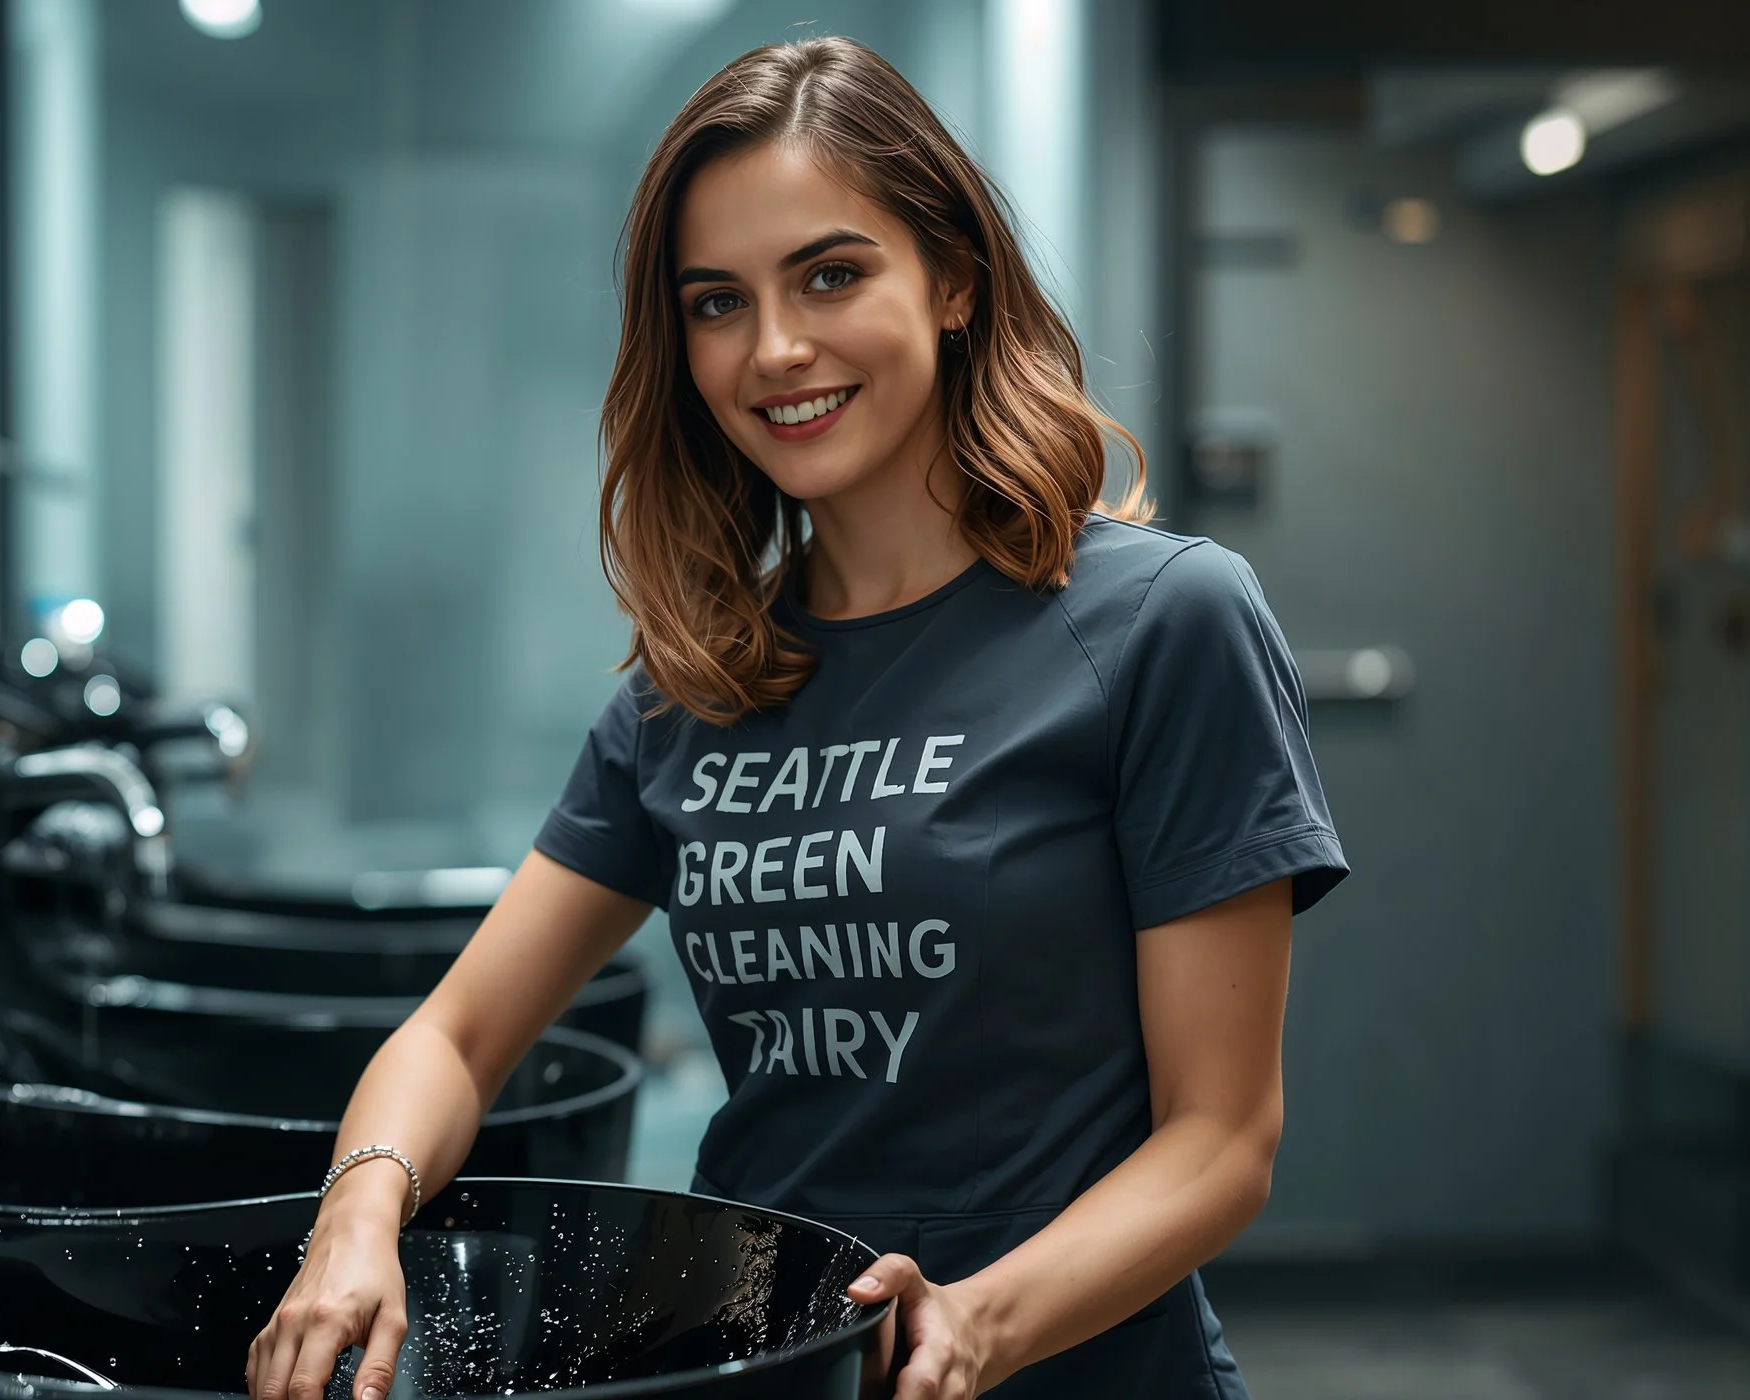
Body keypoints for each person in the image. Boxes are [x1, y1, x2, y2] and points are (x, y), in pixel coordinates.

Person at [245, 35, 1345, 1400]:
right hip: (760, 1361)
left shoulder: (1165, 622)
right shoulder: (697, 678)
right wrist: (356, 1219)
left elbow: (1223, 1139)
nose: (774, 349)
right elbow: (455, 1039)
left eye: (832, 273)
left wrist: (979, 1325)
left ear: (952, 279)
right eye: (717, 302)